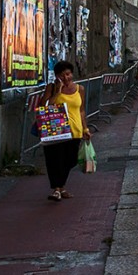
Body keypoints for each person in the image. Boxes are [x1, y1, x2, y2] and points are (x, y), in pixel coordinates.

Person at [41, 60, 91, 202]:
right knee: (55, 160)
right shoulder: (51, 88)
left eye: (68, 74)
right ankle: (57, 189)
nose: (66, 78)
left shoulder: (80, 89)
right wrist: (57, 92)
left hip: (75, 131)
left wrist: (85, 128)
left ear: (72, 74)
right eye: (62, 75)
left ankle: (61, 187)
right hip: (56, 131)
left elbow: (81, 110)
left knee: (70, 160)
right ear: (57, 76)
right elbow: (44, 106)